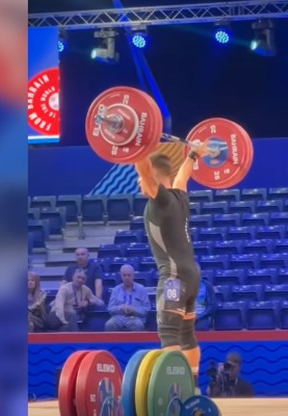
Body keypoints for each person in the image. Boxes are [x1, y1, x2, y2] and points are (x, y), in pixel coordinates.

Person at [134, 143, 210, 388]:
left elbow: (145, 171)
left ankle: (175, 390)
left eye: (140, 178)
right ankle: (193, 388)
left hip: (174, 278)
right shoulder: (180, 196)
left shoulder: (161, 200)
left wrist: (136, 148)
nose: (138, 182)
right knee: (187, 334)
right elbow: (183, 176)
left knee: (168, 332)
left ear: (154, 177)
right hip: (192, 277)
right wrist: (194, 154)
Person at [104, 264, 150, 331]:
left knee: (138, 325)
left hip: (135, 318)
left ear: (133, 276)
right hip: (118, 318)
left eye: (129, 275)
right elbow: (110, 309)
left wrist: (134, 310)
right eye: (124, 275)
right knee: (109, 324)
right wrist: (121, 307)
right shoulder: (116, 290)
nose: (127, 277)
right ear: (121, 276)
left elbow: (146, 309)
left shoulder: (142, 289)